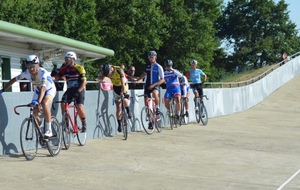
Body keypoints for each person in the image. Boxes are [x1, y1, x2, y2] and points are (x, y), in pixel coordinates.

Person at [0, 55, 56, 137]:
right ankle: (40, 129)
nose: (31, 69)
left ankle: (48, 130)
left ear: (38, 65)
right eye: (28, 66)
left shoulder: (43, 73)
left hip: (49, 90)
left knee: (44, 104)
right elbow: (14, 80)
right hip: (38, 90)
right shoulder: (26, 73)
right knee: (34, 113)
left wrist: (38, 102)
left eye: (33, 66)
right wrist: (3, 89)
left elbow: (43, 89)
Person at [52, 51, 87, 132]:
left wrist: (78, 92)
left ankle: (84, 123)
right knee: (63, 104)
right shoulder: (64, 69)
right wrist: (48, 78)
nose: (66, 60)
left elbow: (84, 82)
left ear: (73, 59)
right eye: (65, 59)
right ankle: (66, 123)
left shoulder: (79, 67)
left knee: (79, 106)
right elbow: (56, 77)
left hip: (79, 89)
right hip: (70, 90)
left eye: (68, 59)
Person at [135, 50, 164, 129]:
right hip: (147, 85)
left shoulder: (158, 67)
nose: (151, 58)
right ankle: (150, 121)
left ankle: (157, 108)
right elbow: (144, 74)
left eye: (152, 57)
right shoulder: (147, 66)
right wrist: (138, 80)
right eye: (150, 57)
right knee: (146, 103)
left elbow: (162, 79)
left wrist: (154, 84)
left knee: (155, 93)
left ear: (155, 57)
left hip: (155, 84)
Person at [100, 63, 132, 133]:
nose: (110, 75)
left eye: (110, 73)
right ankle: (119, 124)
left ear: (111, 68)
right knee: (118, 106)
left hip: (123, 84)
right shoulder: (107, 72)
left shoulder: (118, 69)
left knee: (125, 98)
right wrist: (99, 81)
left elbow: (123, 80)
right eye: (108, 74)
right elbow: (101, 78)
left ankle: (128, 111)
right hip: (116, 87)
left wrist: (123, 90)